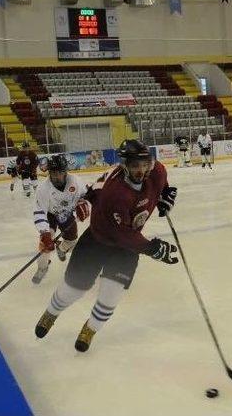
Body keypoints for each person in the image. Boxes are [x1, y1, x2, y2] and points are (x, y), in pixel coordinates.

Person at [34, 139, 178, 352]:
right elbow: (122, 235)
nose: (141, 170)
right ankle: (52, 312)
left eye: (144, 164)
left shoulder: (156, 171)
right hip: (99, 239)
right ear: (124, 165)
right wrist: (152, 248)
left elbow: (161, 183)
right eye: (135, 166)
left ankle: (90, 329)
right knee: (73, 290)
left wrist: (165, 194)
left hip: (127, 248)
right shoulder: (116, 194)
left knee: (112, 295)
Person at [31, 154, 91, 284]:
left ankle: (61, 249)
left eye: (60, 172)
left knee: (71, 242)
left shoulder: (76, 181)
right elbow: (39, 211)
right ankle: (42, 268)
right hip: (50, 215)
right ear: (49, 173)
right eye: (53, 173)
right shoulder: (43, 188)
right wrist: (44, 233)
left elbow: (88, 196)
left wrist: (85, 205)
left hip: (67, 214)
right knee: (45, 245)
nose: (57, 176)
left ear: (65, 172)